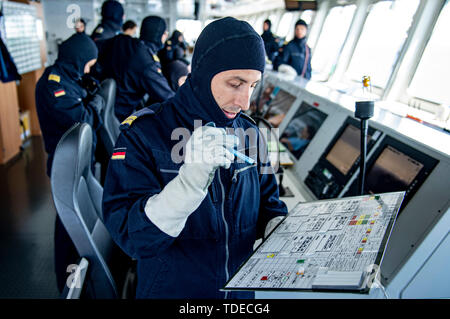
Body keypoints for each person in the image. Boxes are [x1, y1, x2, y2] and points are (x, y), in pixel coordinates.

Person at [102, 17, 288, 299]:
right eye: (235, 83)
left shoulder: (249, 132)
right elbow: (132, 238)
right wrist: (187, 186)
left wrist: (280, 228)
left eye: (252, 86)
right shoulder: (144, 134)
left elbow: (269, 204)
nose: (244, 101)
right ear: (203, 73)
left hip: (240, 295)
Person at [35, 33, 105, 292]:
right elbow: (82, 121)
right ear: (78, 59)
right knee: (69, 228)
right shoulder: (55, 86)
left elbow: (82, 103)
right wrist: (95, 106)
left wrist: (88, 91)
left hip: (78, 163)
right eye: (87, 64)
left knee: (79, 227)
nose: (88, 69)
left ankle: (81, 281)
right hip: (64, 167)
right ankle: (67, 286)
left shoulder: (68, 77)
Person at [96, 15, 175, 122]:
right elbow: (167, 96)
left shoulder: (123, 42)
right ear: (161, 35)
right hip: (121, 117)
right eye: (165, 33)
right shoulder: (148, 62)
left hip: (103, 109)